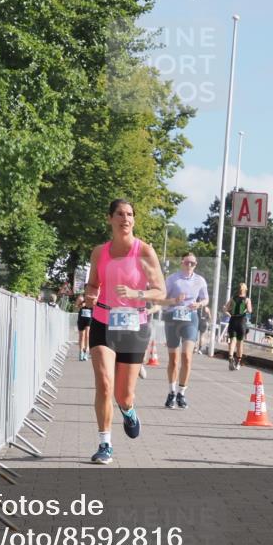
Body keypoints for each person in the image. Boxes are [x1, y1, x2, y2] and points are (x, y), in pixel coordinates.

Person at [84, 199, 166, 464]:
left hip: (133, 324)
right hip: (103, 320)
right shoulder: (99, 252)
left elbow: (160, 291)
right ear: (109, 218)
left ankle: (129, 411)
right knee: (105, 383)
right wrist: (90, 296)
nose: (125, 219)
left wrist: (135, 293)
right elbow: (93, 285)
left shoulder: (145, 252)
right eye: (119, 214)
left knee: (124, 395)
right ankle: (105, 443)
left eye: (130, 214)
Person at [161, 252, 209, 408]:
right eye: (187, 262)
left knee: (187, 357)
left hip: (190, 318)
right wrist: (174, 301)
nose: (189, 266)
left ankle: (182, 393)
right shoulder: (172, 279)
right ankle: (171, 392)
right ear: (182, 262)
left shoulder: (200, 280)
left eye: (193, 263)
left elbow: (206, 299)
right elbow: (162, 300)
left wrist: (199, 304)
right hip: (173, 318)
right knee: (174, 360)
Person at [224, 283, 252, 370]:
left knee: (232, 341)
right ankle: (238, 362)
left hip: (233, 320)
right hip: (241, 322)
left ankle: (230, 357)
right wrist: (245, 310)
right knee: (240, 344)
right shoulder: (247, 299)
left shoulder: (233, 298)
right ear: (245, 290)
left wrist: (230, 315)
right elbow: (250, 310)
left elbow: (225, 309)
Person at [75, 294, 92, 361]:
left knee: (87, 335)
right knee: (82, 336)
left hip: (89, 319)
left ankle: (86, 352)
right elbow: (76, 307)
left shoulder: (92, 297)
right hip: (81, 319)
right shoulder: (81, 297)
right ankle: (81, 352)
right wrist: (80, 305)